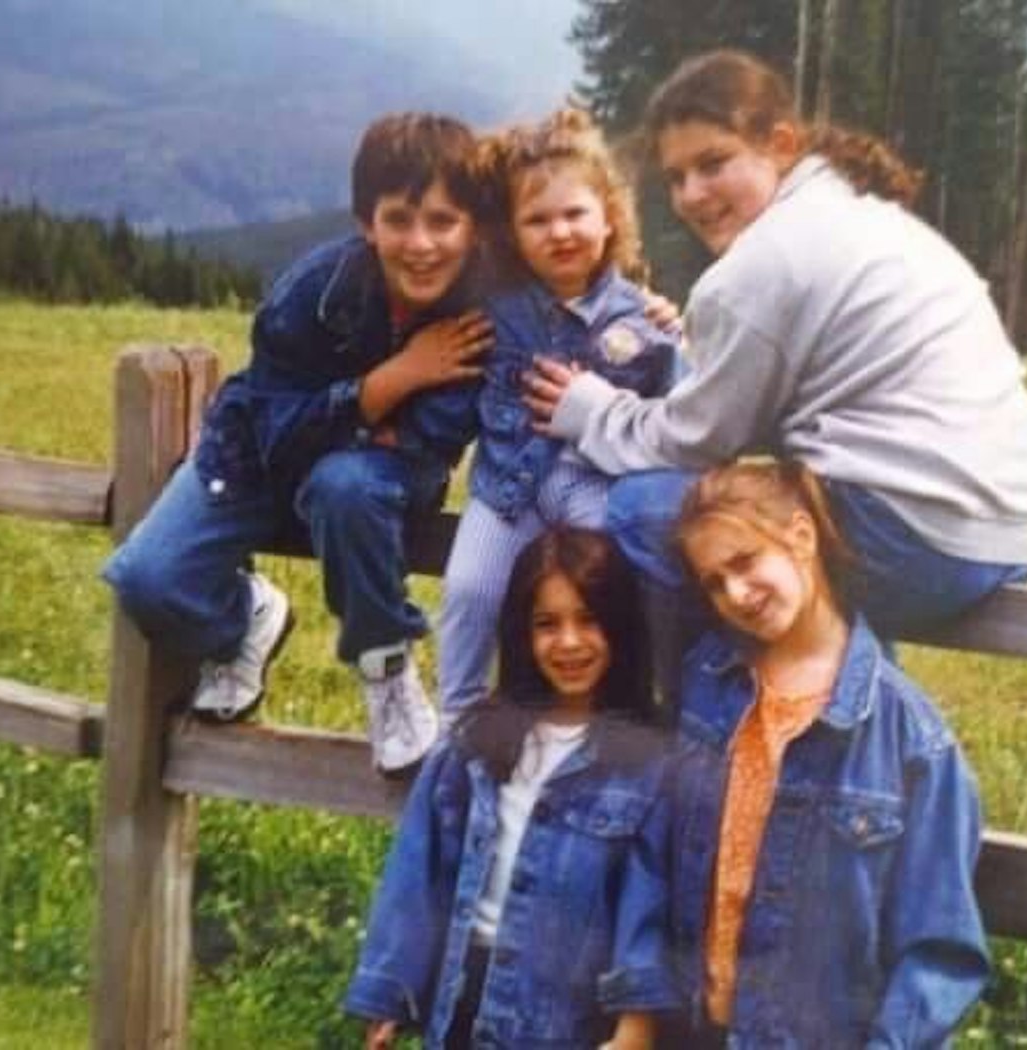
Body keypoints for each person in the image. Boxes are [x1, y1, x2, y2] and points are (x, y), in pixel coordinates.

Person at [525, 49, 1027, 649]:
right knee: (774, 530)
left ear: (780, 144)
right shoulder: (867, 215)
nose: (692, 195)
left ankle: (720, 714)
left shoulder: (762, 263)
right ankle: (847, 708)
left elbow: (695, 442)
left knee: (644, 508)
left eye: (713, 163)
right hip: (1011, 533)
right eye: (676, 178)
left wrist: (591, 409)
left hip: (918, 544)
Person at [102, 113, 495, 776]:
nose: (421, 243)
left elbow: (440, 428)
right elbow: (278, 432)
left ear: (473, 225)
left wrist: (645, 313)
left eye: (442, 221)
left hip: (368, 482)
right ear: (367, 223)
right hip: (250, 456)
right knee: (147, 579)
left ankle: (385, 667)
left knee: (345, 487)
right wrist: (393, 382)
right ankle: (247, 619)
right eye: (399, 219)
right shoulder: (311, 294)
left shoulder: (487, 306)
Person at [664, 460, 989, 1047]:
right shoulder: (707, 686)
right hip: (689, 1029)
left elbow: (939, 952)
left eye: (745, 561)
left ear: (801, 536)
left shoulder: (910, 738)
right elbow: (653, 852)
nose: (736, 593)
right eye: (713, 581)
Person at [344, 527, 678, 1049]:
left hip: (567, 1011)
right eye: (547, 624)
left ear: (622, 628)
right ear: (521, 634)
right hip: (467, 994)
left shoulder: (647, 764)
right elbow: (419, 871)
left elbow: (646, 901)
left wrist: (636, 1022)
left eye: (589, 620)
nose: (569, 642)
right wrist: (389, 992)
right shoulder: (476, 743)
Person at [435, 107, 679, 721]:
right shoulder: (497, 305)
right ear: (511, 233)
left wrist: (683, 337)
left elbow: (684, 420)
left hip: (594, 492)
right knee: (469, 591)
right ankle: (458, 727)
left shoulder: (640, 321)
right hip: (506, 492)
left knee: (611, 599)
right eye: (536, 220)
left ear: (609, 215)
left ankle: (617, 721)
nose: (559, 232)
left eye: (575, 214)